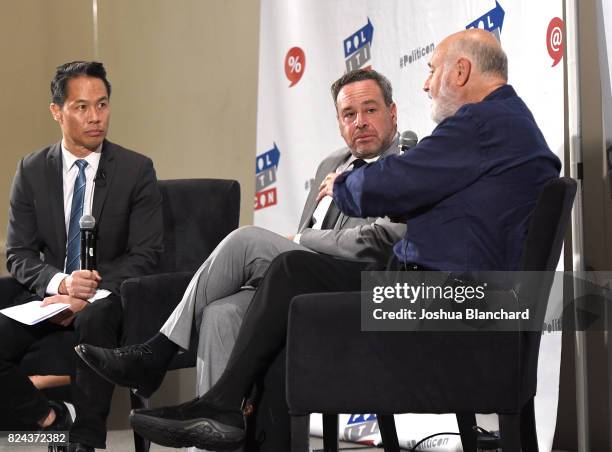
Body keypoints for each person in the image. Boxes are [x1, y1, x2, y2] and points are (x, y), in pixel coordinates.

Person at [111, 28, 562, 451]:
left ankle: (211, 396)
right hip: (454, 293)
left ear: (460, 72)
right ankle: (222, 405)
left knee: (291, 283)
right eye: (349, 113)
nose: (426, 85)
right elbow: (451, 202)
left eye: (431, 70)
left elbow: (393, 183)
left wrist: (345, 187)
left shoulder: (479, 123)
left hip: (445, 303)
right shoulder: (506, 123)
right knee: (290, 273)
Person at [75, 68, 405, 450]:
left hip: (359, 287)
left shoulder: (407, 163)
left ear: (393, 113)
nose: (360, 122)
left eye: (370, 110)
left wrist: (299, 239)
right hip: (301, 277)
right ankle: (214, 429)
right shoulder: (331, 164)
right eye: (349, 114)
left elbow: (380, 242)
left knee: (248, 239)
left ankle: (157, 352)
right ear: (338, 122)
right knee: (220, 314)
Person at [0, 61, 163, 452]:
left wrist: (87, 291)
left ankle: (86, 441)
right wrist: (62, 284)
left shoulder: (135, 170)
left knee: (95, 316)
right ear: (57, 111)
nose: (95, 118)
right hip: (51, 296)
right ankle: (52, 420)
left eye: (102, 105)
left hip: (112, 299)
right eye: (82, 107)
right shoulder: (32, 169)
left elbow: (147, 254)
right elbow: (19, 253)